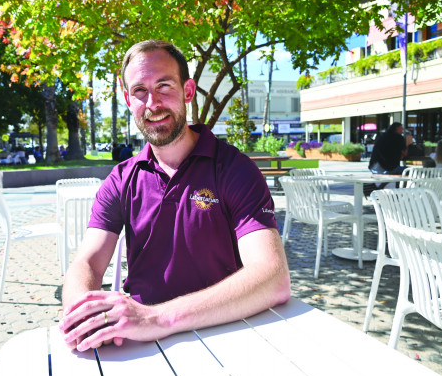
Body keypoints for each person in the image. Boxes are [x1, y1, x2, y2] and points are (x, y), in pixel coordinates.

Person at [59, 40, 290, 352]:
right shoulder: (121, 179)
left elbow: (273, 276)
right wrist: (85, 314)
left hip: (226, 334)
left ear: (188, 91)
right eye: (140, 91)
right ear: (128, 99)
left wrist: (156, 318)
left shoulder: (234, 169)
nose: (152, 103)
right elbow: (86, 262)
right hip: (141, 344)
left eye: (164, 86)